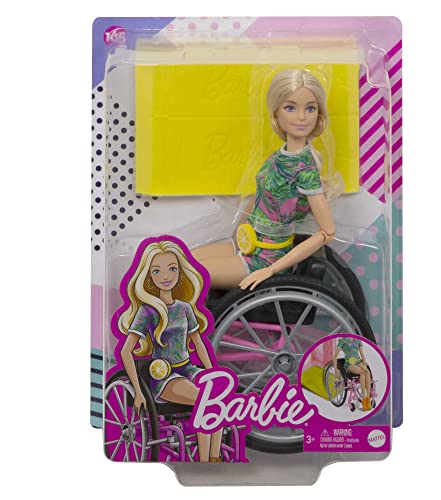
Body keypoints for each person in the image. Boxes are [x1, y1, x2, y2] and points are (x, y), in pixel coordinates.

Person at [192, 68, 336, 290]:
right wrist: (239, 235)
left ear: (319, 114)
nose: (301, 117)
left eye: (310, 108)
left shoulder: (305, 169)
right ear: (276, 113)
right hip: (248, 243)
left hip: (266, 258)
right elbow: (258, 198)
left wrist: (271, 270)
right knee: (179, 260)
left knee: (188, 273)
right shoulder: (278, 156)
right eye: (290, 108)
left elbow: (327, 232)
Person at [116, 237, 223, 462]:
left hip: (188, 369)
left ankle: (215, 458)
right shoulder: (147, 311)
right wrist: (138, 391)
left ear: (180, 272)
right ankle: (206, 462)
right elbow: (126, 351)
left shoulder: (185, 308)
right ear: (149, 276)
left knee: (218, 398)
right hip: (164, 376)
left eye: (172, 269)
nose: (165, 276)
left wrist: (212, 372)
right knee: (205, 400)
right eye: (157, 271)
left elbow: (199, 343)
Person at [334, 337, 372, 411]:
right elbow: (335, 356)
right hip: (349, 363)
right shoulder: (342, 340)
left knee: (367, 372)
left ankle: (368, 398)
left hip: (358, 361)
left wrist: (364, 361)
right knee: (362, 372)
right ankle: (363, 397)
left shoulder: (357, 340)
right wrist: (336, 373)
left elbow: (362, 354)